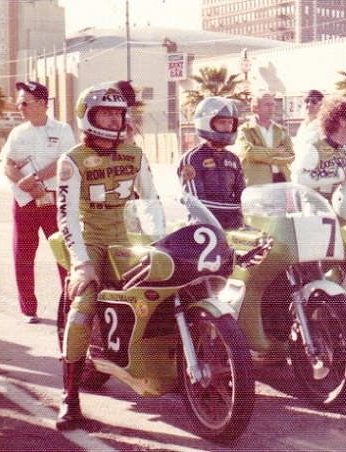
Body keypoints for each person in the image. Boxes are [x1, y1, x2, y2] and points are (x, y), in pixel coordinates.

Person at [55, 82, 165, 431]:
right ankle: (69, 399)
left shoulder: (135, 154)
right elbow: (67, 215)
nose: (115, 119)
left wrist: (160, 243)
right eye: (106, 112)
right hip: (93, 241)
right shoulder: (71, 160)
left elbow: (152, 203)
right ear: (88, 116)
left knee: (165, 294)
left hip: (127, 239)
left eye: (119, 112)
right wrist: (81, 261)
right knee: (82, 312)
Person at [0, 81, 75, 323]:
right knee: (23, 254)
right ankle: (28, 309)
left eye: (25, 102)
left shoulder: (62, 130)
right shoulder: (17, 133)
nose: (20, 107)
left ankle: (71, 306)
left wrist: (34, 178)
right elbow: (7, 164)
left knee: (64, 253)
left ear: (42, 103)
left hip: (53, 200)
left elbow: (64, 161)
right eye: (20, 102)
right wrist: (25, 184)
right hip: (25, 202)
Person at [178, 96, 245, 229]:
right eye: (222, 122)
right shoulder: (192, 159)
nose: (227, 127)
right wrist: (235, 207)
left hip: (233, 226)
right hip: (204, 228)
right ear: (206, 122)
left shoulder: (234, 160)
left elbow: (242, 196)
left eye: (230, 123)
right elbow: (196, 203)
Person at [292, 97, 346, 199]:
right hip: (317, 212)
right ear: (342, 122)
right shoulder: (313, 149)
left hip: (345, 213)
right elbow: (298, 178)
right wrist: (342, 174)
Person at [236, 90, 295, 186]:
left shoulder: (281, 131)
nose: (271, 108)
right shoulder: (245, 130)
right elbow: (250, 153)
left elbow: (291, 155)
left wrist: (262, 156)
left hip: (282, 181)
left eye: (272, 105)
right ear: (255, 108)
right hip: (258, 184)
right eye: (267, 105)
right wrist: (275, 151)